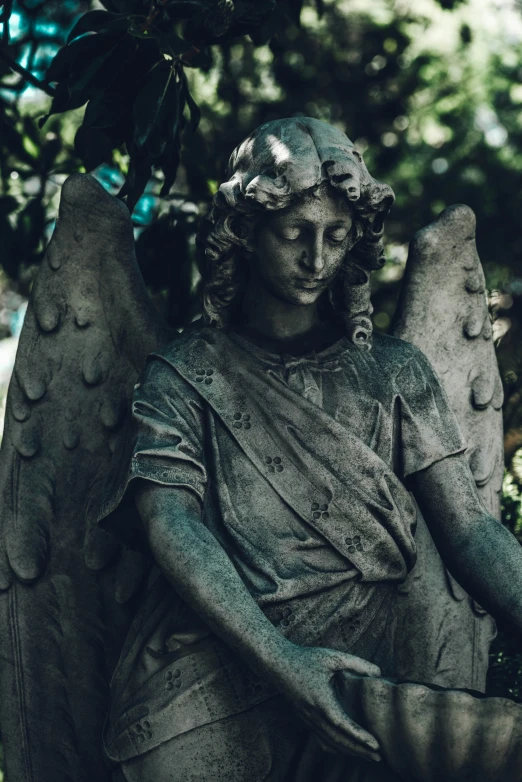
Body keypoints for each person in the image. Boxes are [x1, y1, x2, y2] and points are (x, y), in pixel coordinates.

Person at [100, 118, 522, 782]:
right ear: (246, 231)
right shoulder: (183, 373)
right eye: (295, 233)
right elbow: (169, 521)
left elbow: (468, 528)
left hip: (364, 668)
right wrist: (281, 658)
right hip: (217, 660)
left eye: (335, 235)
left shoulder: (394, 372)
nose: (317, 258)